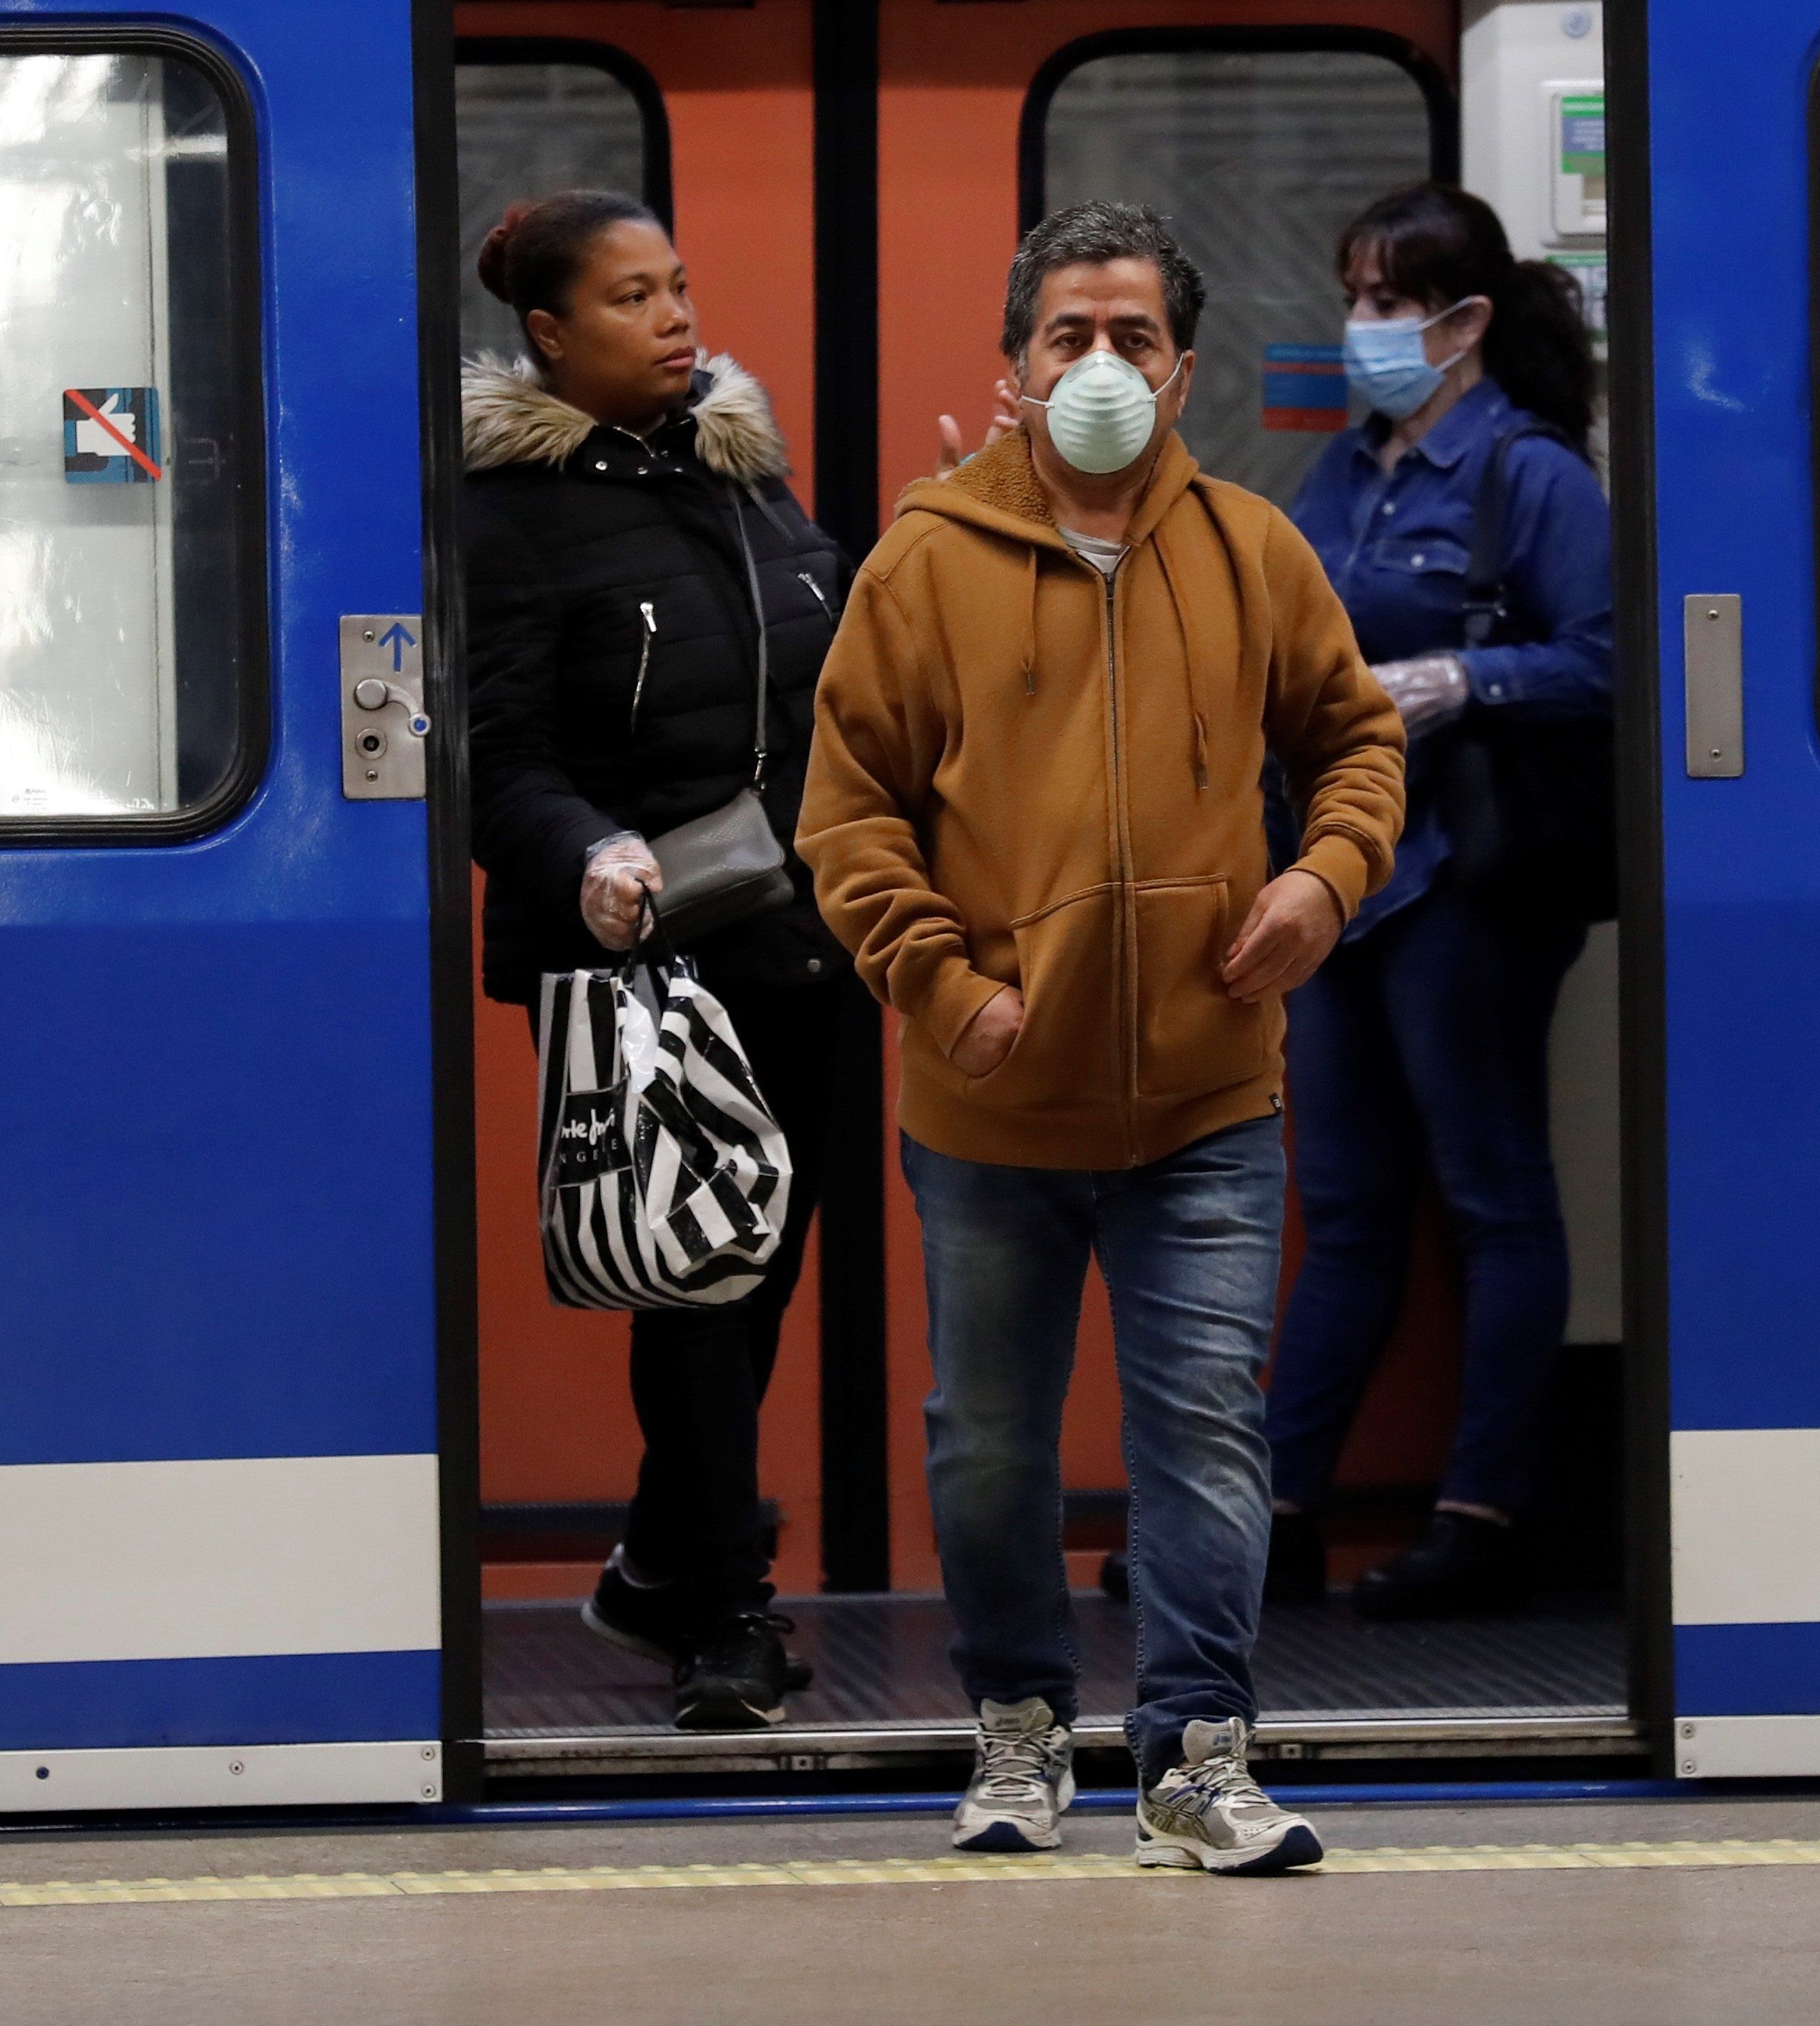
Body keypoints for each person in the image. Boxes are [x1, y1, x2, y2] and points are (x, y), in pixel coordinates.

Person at [798, 200, 1407, 1873]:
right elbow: (845, 816)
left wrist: (1321, 884)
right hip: (992, 1101)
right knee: (987, 1437)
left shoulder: (1254, 554)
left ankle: (1195, 1751)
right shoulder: (922, 562)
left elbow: (1356, 747)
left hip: (1210, 1095)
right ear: (1010, 366)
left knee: (1205, 1425)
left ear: (1184, 368)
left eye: (1132, 336)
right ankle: (1016, 1723)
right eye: (1066, 333)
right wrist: (939, 982)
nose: (1098, 365)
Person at [462, 190, 860, 1732]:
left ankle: (657, 1564)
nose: (675, 315)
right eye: (631, 297)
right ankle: (722, 1611)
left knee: (758, 1282)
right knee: (698, 1278)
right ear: (549, 334)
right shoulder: (505, 512)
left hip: (799, 929)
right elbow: (499, 753)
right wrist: (585, 850)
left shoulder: (741, 471)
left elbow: (828, 662)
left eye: (678, 284)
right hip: (647, 943)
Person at [1257, 181, 1614, 1620]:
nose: (1363, 329)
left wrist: (1468, 678)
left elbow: (1608, 658)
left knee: (1491, 1196)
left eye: (1390, 304)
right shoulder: (1345, 476)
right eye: (1353, 298)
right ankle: (1274, 1515)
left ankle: (1484, 1512)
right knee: (1343, 1205)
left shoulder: (1531, 476)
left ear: (1464, 323)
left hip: (1464, 881)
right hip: (1339, 878)